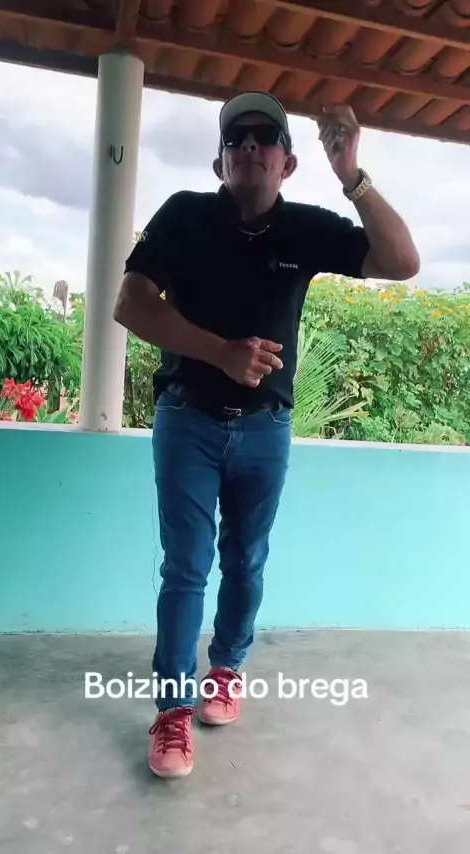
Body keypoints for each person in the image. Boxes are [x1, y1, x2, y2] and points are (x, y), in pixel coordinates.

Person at [114, 91, 420, 778]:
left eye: (266, 136)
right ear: (219, 161)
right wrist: (221, 351)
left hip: (266, 430)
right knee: (186, 565)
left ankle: (226, 670)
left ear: (288, 162)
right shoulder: (185, 215)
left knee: (247, 561)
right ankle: (172, 712)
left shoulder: (305, 228)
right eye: (237, 137)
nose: (250, 145)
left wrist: (352, 175)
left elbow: (402, 262)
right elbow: (129, 304)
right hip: (187, 420)